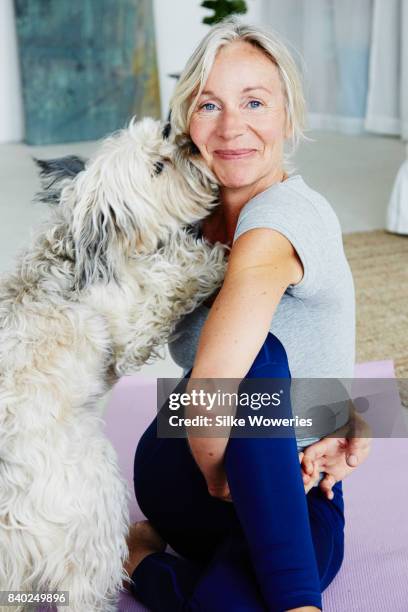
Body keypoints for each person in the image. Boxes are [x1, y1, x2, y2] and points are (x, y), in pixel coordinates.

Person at [125, 20, 371, 611]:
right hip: (184, 465)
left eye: (255, 102)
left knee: (228, 603)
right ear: (188, 122)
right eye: (210, 104)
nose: (232, 126)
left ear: (289, 116)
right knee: (263, 358)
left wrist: (345, 422)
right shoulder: (182, 222)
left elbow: (325, 348)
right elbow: (200, 382)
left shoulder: (286, 220)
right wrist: (217, 476)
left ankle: (140, 562)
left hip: (294, 484)